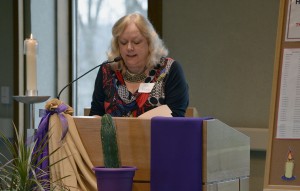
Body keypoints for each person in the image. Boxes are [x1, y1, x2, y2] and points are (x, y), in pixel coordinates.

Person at [89, 13, 189, 117]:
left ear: (150, 43)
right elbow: (96, 114)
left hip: (158, 133)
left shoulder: (170, 70)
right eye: (123, 42)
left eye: (136, 42)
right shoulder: (108, 70)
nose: (129, 48)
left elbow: (177, 120)